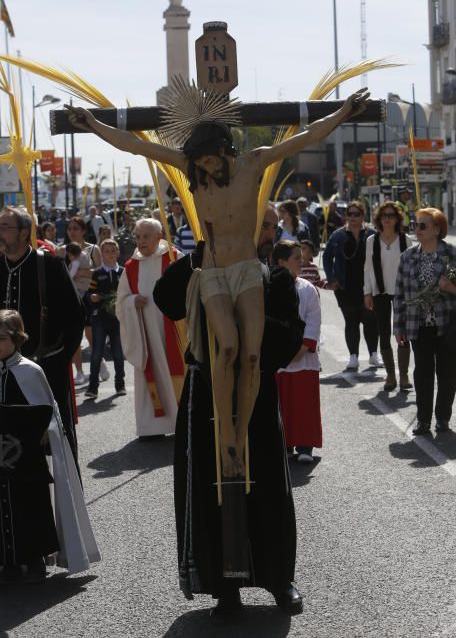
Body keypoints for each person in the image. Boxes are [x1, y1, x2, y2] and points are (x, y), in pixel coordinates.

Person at [66, 86, 369, 478]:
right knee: (226, 346)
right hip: (211, 270)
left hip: (244, 267)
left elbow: (306, 137)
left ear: (224, 151)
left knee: (253, 356)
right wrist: (92, 123)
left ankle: (239, 437)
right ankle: (226, 436)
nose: (204, 166)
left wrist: (344, 111)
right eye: (199, 160)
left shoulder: (253, 163)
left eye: (209, 158)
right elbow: (134, 146)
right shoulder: (190, 168)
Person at [153, 208, 305, 618]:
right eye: (265, 224)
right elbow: (166, 301)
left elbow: (289, 336)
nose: (271, 232)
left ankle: (278, 579)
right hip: (206, 391)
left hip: (253, 390)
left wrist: (247, 327)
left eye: (274, 226)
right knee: (209, 485)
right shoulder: (199, 268)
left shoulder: (275, 278)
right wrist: (201, 257)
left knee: (268, 484)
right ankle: (224, 588)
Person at [0, 309, 101, 584]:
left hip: (26, 459)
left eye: (1, 338)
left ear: (17, 339)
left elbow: (47, 418)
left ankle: (34, 560)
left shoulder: (29, 372)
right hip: (2, 457)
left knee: (30, 507)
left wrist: (37, 434)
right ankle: (8, 563)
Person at [0, 207, 84, 460]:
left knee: (58, 442)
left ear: (24, 233)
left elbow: (75, 317)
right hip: (3, 373)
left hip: (46, 369)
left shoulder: (49, 265)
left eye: (5, 226)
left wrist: (59, 359)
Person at [393, 208, 456, 435]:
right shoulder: (408, 256)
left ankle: (443, 417)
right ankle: (423, 419)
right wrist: (398, 326)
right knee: (422, 374)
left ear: (437, 229)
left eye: (423, 225)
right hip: (419, 324)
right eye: (415, 224)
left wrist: (451, 287)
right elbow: (399, 293)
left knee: (448, 374)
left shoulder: (455, 252)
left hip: (448, 324)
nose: (417, 229)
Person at [116, 219, 184, 439]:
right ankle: (151, 428)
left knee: (178, 371)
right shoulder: (131, 267)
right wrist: (132, 301)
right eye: (138, 237)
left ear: (159, 236)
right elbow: (121, 302)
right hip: (145, 333)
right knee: (150, 374)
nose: (141, 241)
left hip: (172, 331)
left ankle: (181, 421)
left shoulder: (174, 258)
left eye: (146, 236)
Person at [273, 241, 322, 464]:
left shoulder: (307, 288)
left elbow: (313, 320)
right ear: (281, 262)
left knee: (303, 404)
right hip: (278, 358)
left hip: (304, 358)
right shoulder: (268, 287)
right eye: (296, 258)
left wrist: (302, 349)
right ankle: (284, 444)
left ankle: (305, 446)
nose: (301, 261)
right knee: (281, 404)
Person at [323, 200, 382, 371]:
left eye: (357, 214)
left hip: (368, 287)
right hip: (345, 287)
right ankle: (353, 357)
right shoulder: (338, 235)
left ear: (363, 216)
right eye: (350, 214)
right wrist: (331, 278)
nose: (353, 217)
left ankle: (373, 354)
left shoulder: (371, 234)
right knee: (351, 321)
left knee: (370, 321)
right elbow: (327, 257)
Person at [364, 201, 412, 391]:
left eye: (391, 215)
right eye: (384, 216)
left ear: (397, 219)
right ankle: (390, 375)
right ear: (379, 219)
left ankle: (404, 375)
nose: (387, 219)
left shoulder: (405, 240)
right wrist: (367, 292)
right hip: (380, 292)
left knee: (403, 333)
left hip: (402, 292)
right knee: (383, 332)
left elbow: (410, 268)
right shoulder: (371, 241)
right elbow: (367, 268)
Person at [58, 216, 102, 385]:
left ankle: (99, 364)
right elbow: (58, 275)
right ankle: (79, 371)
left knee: (91, 335)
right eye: (69, 228)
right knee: (74, 335)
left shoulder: (93, 249)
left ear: (84, 231)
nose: (72, 232)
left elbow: (100, 273)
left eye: (76, 228)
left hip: (89, 297)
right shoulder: (61, 250)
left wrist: (85, 272)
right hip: (69, 298)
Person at [85, 239, 125, 400]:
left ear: (118, 253)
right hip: (100, 318)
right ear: (102, 254)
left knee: (117, 353)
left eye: (112, 251)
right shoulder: (97, 273)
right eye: (106, 251)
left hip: (118, 319)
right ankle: (93, 387)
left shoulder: (123, 272)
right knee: (96, 353)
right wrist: (92, 297)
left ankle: (120, 384)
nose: (109, 254)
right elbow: (89, 293)